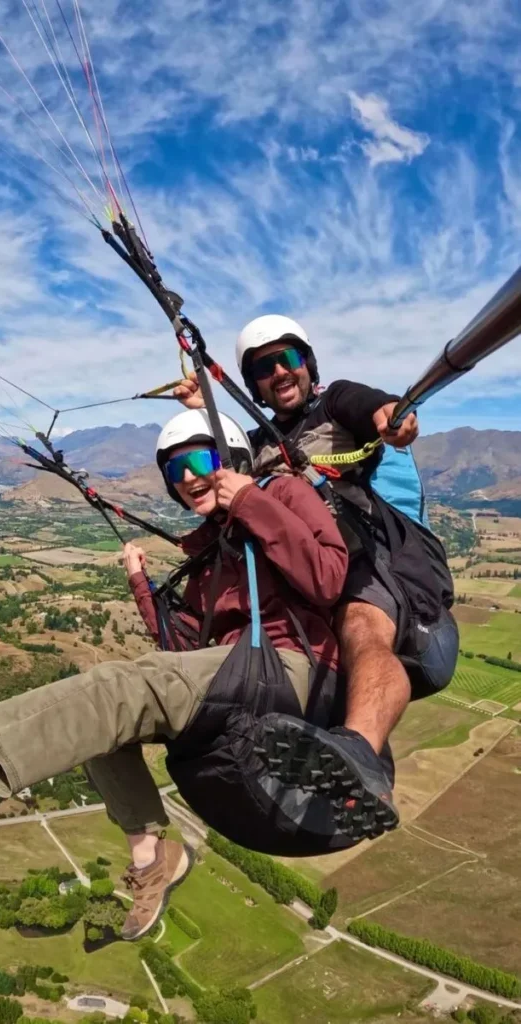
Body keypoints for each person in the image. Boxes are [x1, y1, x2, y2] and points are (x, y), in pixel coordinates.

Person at [0, 409, 349, 941]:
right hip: (238, 679)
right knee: (101, 723)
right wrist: (142, 589)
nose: (188, 478)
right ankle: (153, 859)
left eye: (200, 461)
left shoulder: (282, 493)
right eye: (176, 470)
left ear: (235, 460)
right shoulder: (210, 551)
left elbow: (327, 577)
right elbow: (180, 653)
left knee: (118, 686)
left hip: (292, 670)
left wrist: (252, 499)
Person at [175, 314, 458, 832]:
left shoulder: (335, 404)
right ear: (254, 385)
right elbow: (224, 457)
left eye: (288, 358)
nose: (279, 372)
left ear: (308, 364)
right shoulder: (258, 443)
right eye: (263, 367)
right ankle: (337, 774)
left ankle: (362, 754)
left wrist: (393, 418)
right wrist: (202, 410)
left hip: (368, 558)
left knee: (362, 628)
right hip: (307, 572)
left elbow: (376, 409)